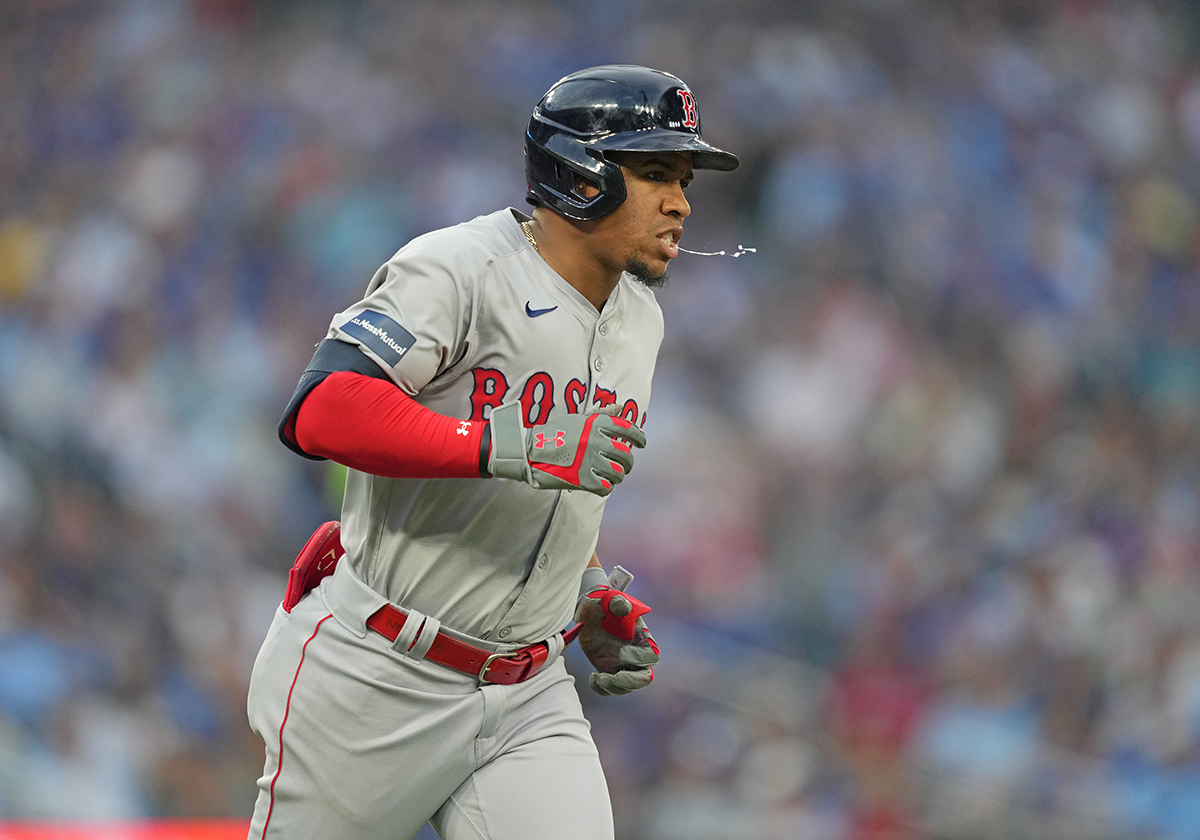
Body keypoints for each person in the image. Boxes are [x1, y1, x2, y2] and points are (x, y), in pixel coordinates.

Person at [245, 64, 738, 840]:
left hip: (529, 693)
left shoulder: (641, 319)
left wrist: (583, 591)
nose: (680, 202)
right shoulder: (461, 267)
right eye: (654, 174)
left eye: (681, 178)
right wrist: (506, 443)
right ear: (581, 175)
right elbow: (321, 408)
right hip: (380, 672)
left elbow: (553, 484)